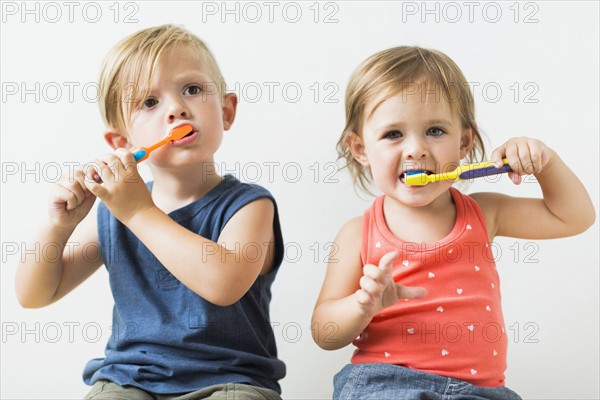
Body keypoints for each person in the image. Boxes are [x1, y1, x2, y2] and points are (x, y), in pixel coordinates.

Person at [16, 24, 285, 400]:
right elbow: (34, 295)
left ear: (226, 111)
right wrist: (57, 227)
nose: (176, 108)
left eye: (191, 89)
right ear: (123, 143)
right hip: (128, 379)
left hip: (230, 379)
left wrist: (139, 212)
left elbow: (223, 285)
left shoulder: (250, 205)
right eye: (149, 102)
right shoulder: (115, 212)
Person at [311, 46, 595, 399]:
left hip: (481, 392)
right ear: (360, 149)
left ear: (464, 142)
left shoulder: (485, 214)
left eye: (434, 130)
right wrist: (361, 305)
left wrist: (545, 163)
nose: (415, 149)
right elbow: (324, 332)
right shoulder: (357, 234)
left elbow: (574, 217)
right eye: (393, 134)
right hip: (386, 383)